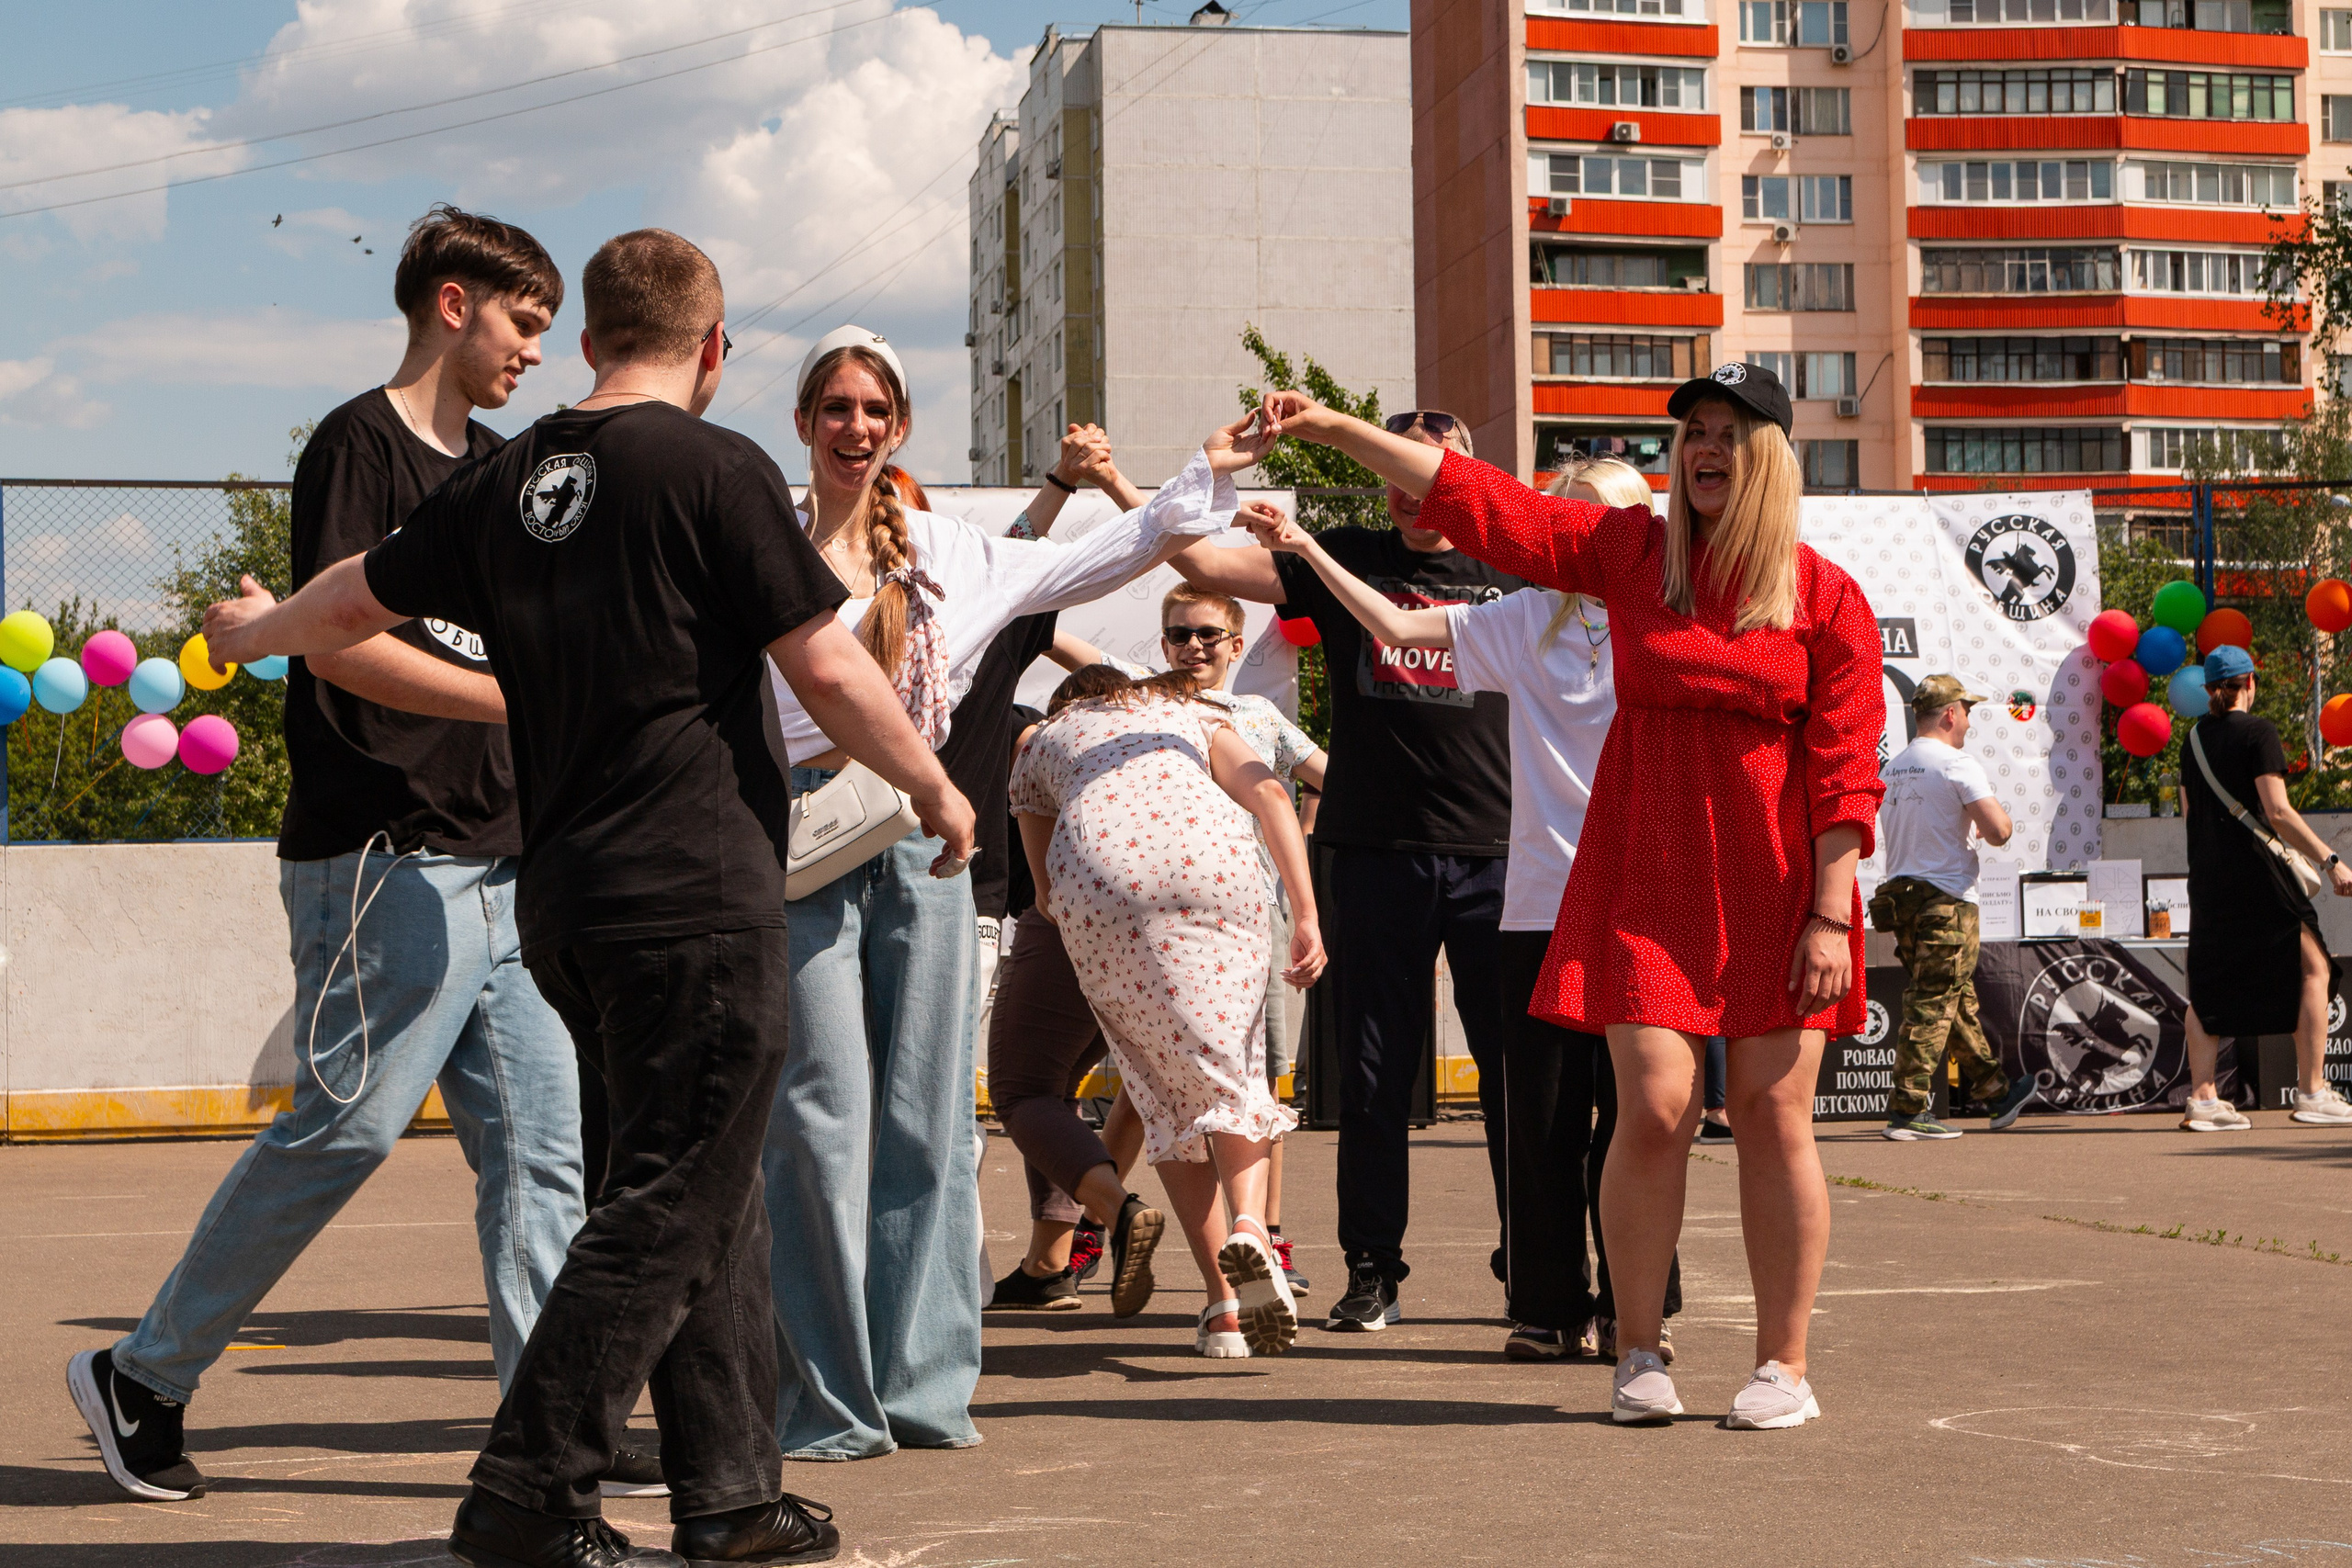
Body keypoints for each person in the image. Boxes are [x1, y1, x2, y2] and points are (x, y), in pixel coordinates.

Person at [203, 227, 977, 1568]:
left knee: (702, 1184)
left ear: (589, 341)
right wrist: (935, 786)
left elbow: (350, 600)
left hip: (568, 899)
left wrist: (252, 631)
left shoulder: (509, 477)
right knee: (675, 1188)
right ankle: (529, 1482)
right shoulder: (716, 466)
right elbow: (831, 668)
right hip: (694, 886)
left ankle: (729, 1494)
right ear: (715, 350)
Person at [65, 206, 594, 1506]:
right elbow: (337, 638)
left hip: (505, 859)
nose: (540, 348)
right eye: (527, 321)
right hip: (383, 854)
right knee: (344, 1127)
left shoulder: (507, 465)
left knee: (542, 1155)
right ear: (456, 302)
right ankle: (144, 1372)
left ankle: (543, 1436)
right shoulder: (359, 442)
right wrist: (526, 702)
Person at [1256, 360, 1885, 1431]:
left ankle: (1783, 1367)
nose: (1704, 447)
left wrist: (1830, 913)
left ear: (1770, 457)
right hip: (1645, 869)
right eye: (1691, 429)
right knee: (1651, 1108)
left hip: (1781, 885)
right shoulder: (1629, 555)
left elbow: (1843, 765)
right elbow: (1482, 503)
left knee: (1777, 1114)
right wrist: (1329, 425)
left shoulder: (1824, 594)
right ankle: (1636, 1350)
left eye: (1729, 432)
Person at [763, 326, 1268, 1461]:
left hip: (927, 844)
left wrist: (1200, 475)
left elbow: (1106, 555)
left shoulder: (950, 551)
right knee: (814, 1125)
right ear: (802, 424)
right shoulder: (754, 543)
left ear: (896, 428)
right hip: (795, 845)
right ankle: (825, 1404)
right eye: (833, 409)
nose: (853, 428)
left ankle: (925, 1391)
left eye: (872, 411)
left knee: (928, 1125)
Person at [1239, 457, 1682, 1364]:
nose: (1571, 537)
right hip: (1538, 903)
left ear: (1643, 530)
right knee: (1543, 1119)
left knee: (1641, 1115)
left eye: (1593, 521)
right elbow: (1398, 624)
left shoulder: (1678, 620)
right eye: (1557, 521)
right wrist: (1304, 549)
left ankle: (1633, 1302)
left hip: (1646, 904)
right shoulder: (1526, 619)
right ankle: (1547, 1303)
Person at [1170, 408, 1528, 1334]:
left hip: (1504, 856)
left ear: (1470, 475)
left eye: (1435, 470)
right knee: (1371, 1080)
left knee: (1515, 1078)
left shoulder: (1521, 563)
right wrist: (1207, 472)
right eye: (1394, 470)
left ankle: (1531, 1263)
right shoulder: (1345, 554)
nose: (1414, 490)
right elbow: (1201, 566)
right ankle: (1371, 1271)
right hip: (1374, 852)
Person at [1012, 665, 1327, 1356]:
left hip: (1100, 888)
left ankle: (1223, 1309)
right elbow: (1273, 793)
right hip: (1214, 875)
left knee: (1162, 1092)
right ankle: (1250, 1228)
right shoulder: (1194, 717)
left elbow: (1038, 867)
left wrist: (1054, 896)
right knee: (1231, 1071)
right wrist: (1306, 915)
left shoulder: (1045, 735)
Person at [2177, 643, 2352, 1132]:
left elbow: (2191, 816)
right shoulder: (2259, 732)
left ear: (2210, 689)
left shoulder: (2191, 740)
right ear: (2250, 682)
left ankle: (2204, 1098)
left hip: (2209, 880)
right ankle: (2313, 1091)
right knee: (2314, 966)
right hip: (2259, 874)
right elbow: (2277, 812)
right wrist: (2331, 860)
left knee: (2207, 985)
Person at [1870, 675, 2038, 1143]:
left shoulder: (1894, 767)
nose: (1968, 720)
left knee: (1952, 1000)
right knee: (1932, 1002)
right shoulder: (1957, 764)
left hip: (1903, 900)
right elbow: (2000, 829)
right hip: (1947, 900)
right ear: (1949, 714)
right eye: (1966, 711)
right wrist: (1989, 827)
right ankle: (1907, 1110)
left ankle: (1996, 1092)